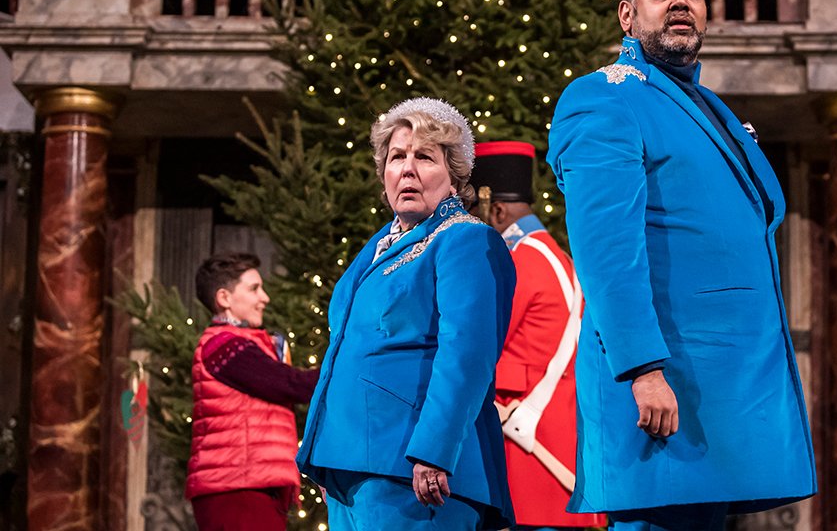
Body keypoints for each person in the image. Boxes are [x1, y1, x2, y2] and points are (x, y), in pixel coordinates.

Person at [546, 0, 818, 530]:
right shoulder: (604, 98)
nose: (680, 3)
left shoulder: (711, 107)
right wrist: (643, 369)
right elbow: (607, 250)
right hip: (665, 384)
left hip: (721, 390)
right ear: (627, 15)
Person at [296, 97, 516, 530]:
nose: (408, 169)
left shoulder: (466, 241)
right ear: (383, 175)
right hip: (353, 464)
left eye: (424, 157)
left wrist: (433, 451)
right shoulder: (378, 245)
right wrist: (329, 446)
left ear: (454, 176)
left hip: (414, 468)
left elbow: (466, 356)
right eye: (397, 157)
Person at [471, 141, 605, 530]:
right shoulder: (555, 255)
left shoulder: (519, 261)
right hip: (554, 445)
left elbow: (480, 345)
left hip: (527, 449)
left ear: (495, 209)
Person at [186, 253, 320, 531]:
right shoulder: (224, 346)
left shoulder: (241, 342)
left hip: (250, 485)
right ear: (224, 298)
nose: (265, 298)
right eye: (254, 288)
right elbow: (289, 383)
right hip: (237, 487)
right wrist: (345, 368)